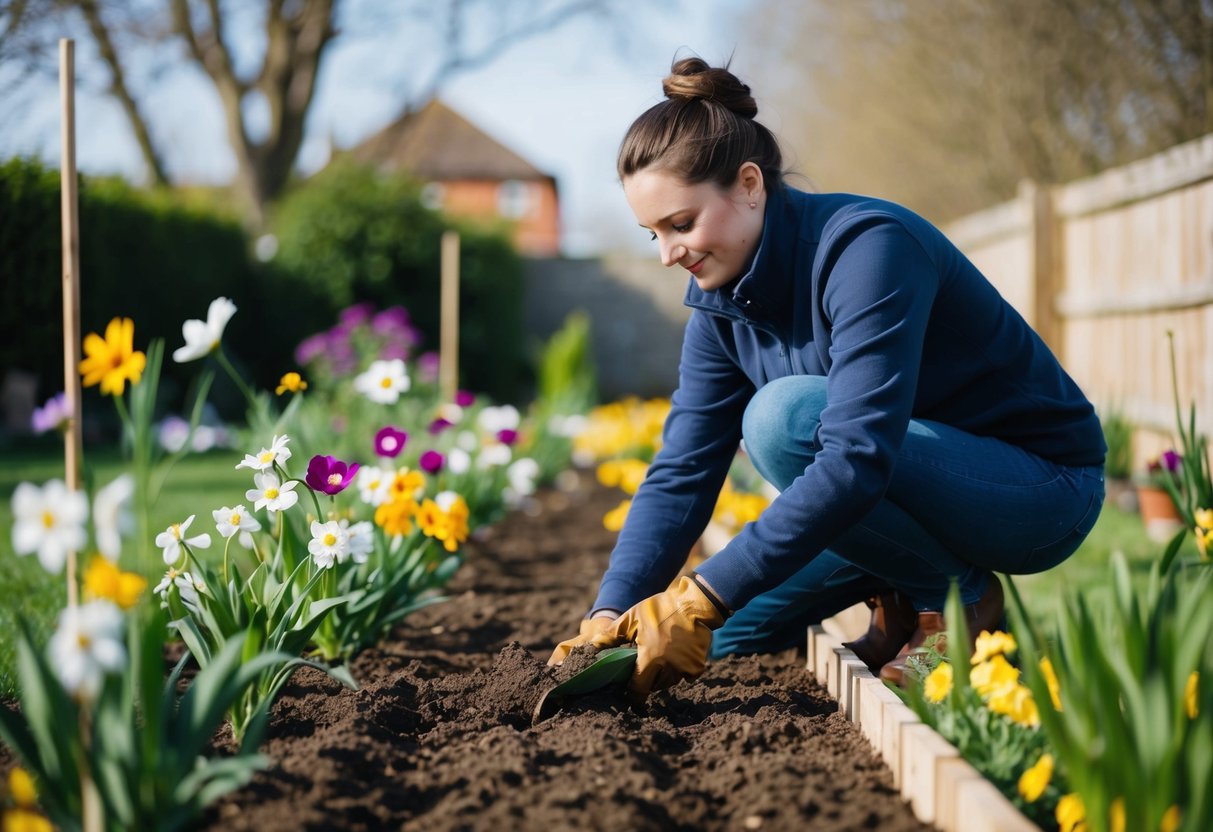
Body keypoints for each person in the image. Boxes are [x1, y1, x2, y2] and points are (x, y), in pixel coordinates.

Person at [547, 57, 1106, 698]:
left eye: (681, 224)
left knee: (781, 420)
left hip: (1038, 490)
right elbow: (682, 470)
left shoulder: (868, 249)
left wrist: (702, 595)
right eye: (653, 235)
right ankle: (901, 590)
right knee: (730, 635)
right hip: (897, 493)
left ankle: (959, 601)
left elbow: (856, 455)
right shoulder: (718, 306)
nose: (670, 252)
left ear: (749, 184)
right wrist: (610, 612)